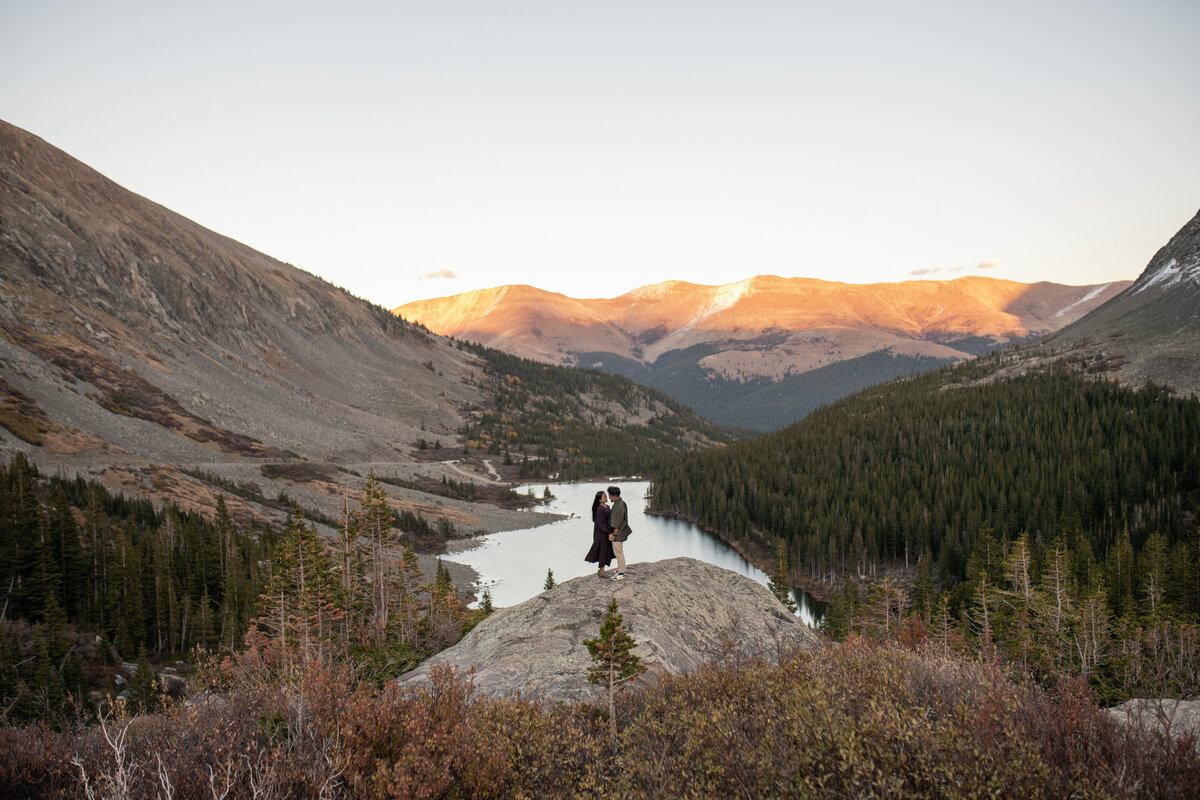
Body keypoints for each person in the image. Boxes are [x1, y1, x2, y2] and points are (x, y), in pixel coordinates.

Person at [584, 489, 616, 578]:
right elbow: (600, 523)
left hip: (607, 531)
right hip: (601, 533)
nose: (606, 498)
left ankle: (601, 569)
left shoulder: (607, 507)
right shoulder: (599, 509)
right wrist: (608, 532)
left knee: (606, 550)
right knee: (602, 550)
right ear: (599, 499)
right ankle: (601, 571)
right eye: (604, 496)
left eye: (606, 496)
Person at [607, 485, 631, 580]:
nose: (609, 497)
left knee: (618, 552)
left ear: (613, 495)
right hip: (618, 532)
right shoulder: (620, 503)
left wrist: (614, 534)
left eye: (609, 495)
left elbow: (619, 522)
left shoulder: (619, 505)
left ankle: (622, 573)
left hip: (619, 533)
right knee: (618, 552)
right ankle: (620, 570)